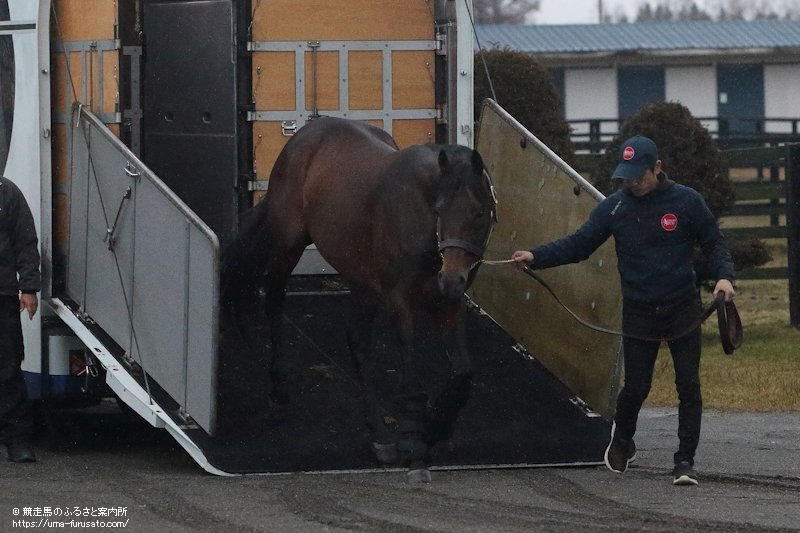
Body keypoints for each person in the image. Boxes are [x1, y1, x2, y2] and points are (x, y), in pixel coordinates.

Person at [511, 135, 735, 486]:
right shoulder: (615, 208)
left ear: (657, 168)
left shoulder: (687, 202)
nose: (633, 183)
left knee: (688, 385)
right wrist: (536, 257)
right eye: (626, 176)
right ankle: (623, 437)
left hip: (682, 306)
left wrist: (724, 277)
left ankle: (684, 461)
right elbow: (579, 244)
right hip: (639, 310)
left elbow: (715, 243)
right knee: (636, 386)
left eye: (639, 176)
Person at [0, 176, 40, 463]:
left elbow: (26, 242)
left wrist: (28, 288)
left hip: (2, 294)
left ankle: (17, 440)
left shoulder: (7, 192)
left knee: (8, 368)